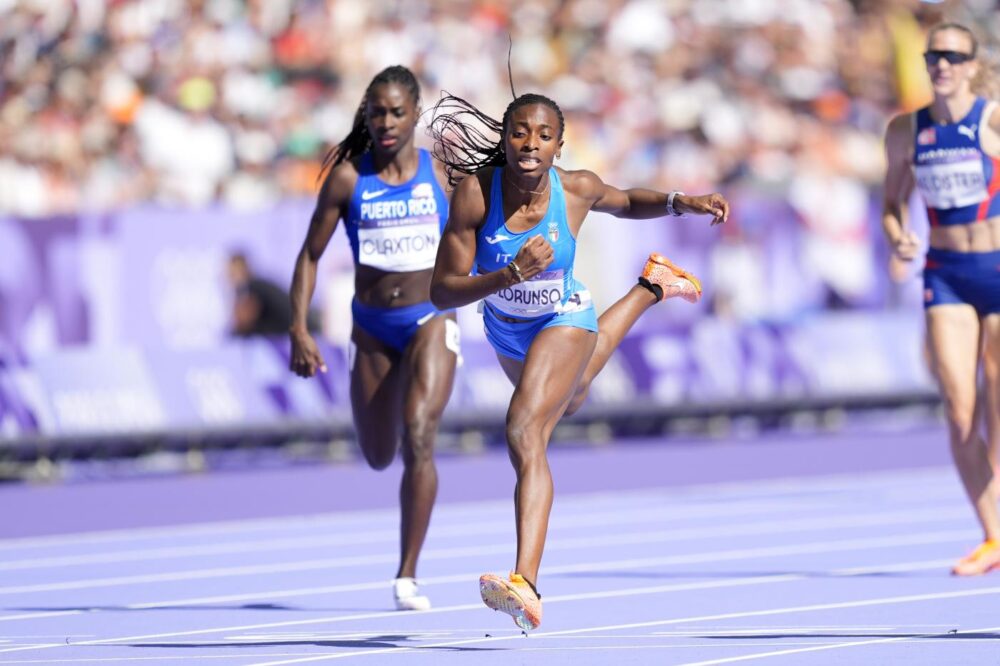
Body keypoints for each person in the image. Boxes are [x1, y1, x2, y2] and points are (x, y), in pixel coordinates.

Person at [427, 92, 729, 630]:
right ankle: (651, 286)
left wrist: (683, 200)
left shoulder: (576, 190)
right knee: (570, 399)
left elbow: (627, 200)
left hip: (563, 317)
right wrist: (509, 275)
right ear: (504, 137)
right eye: (520, 132)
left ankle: (526, 580)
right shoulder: (475, 196)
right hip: (505, 326)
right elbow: (443, 292)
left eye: (544, 136)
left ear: (558, 146)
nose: (531, 144)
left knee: (525, 429)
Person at [289, 65, 459, 610]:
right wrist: (299, 327)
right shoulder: (346, 178)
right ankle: (406, 563)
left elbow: (484, 230)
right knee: (379, 455)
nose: (386, 122)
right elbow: (309, 256)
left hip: (432, 317)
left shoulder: (444, 175)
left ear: (415, 116)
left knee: (420, 434)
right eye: (377, 112)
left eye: (397, 112)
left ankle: (407, 574)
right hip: (372, 330)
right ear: (366, 115)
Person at [882, 22, 1000, 576]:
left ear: (973, 65)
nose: (942, 64)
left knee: (997, 407)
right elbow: (891, 202)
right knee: (959, 412)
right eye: (934, 55)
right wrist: (898, 236)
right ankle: (992, 535)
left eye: (953, 56)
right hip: (946, 273)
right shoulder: (907, 130)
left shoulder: (993, 119)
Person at [227, 252, 302, 337]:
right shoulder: (256, 285)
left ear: (243, 270)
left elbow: (244, 323)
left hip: (300, 330)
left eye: (233, 273)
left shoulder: (253, 287)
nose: (230, 278)